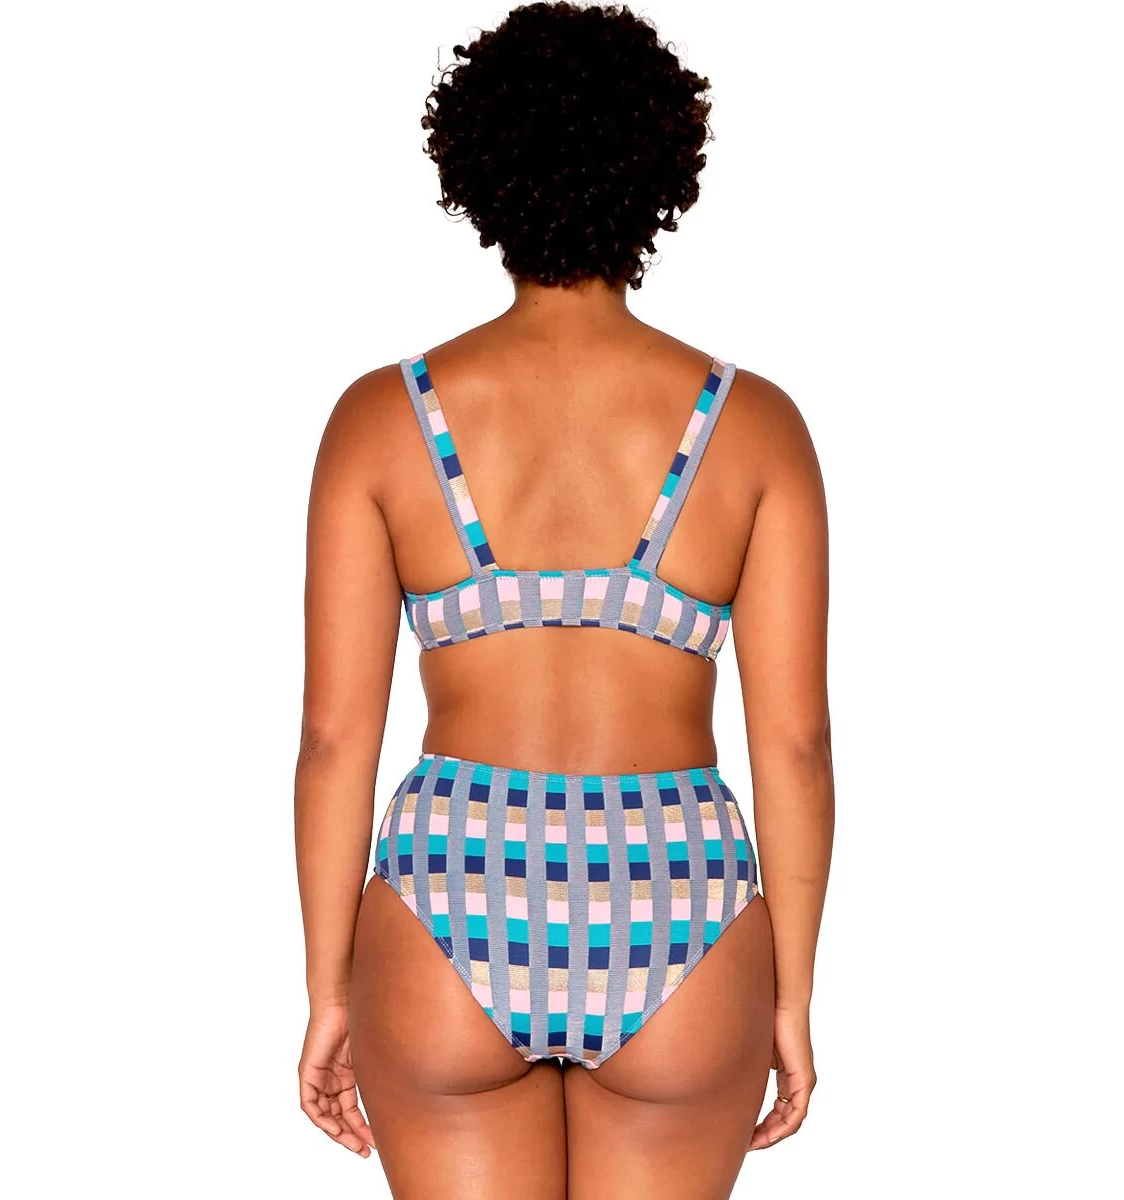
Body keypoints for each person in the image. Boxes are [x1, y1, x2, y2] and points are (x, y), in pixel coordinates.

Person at [294, 3, 834, 1196]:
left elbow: (333, 740)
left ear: (478, 172)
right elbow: (795, 746)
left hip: (452, 891)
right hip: (678, 898)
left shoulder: (382, 420)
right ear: (660, 174)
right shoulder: (754, 428)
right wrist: (792, 997)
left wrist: (331, 990)